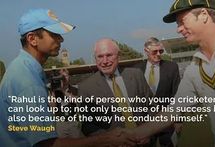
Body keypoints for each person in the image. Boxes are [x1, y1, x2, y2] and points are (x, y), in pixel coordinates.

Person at [0, 9, 136, 147]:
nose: (61, 39)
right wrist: (106, 139)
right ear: (32, 39)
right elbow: (46, 144)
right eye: (54, 34)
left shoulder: (23, 70)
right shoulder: (27, 81)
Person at [131, 0, 215, 147]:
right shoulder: (195, 67)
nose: (179, 29)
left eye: (182, 21)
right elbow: (174, 110)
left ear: (204, 15)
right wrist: (135, 134)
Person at [79, 38, 154, 146]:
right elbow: (87, 125)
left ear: (118, 56)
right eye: (100, 56)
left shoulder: (136, 75)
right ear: (95, 58)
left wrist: (148, 131)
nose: (105, 61)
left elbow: (152, 106)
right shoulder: (86, 87)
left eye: (109, 55)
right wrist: (110, 140)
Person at [134, 37, 180, 147]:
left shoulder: (171, 67)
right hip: (145, 123)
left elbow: (177, 95)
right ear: (146, 51)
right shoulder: (136, 70)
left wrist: (179, 120)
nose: (159, 54)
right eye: (155, 51)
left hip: (167, 120)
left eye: (161, 51)